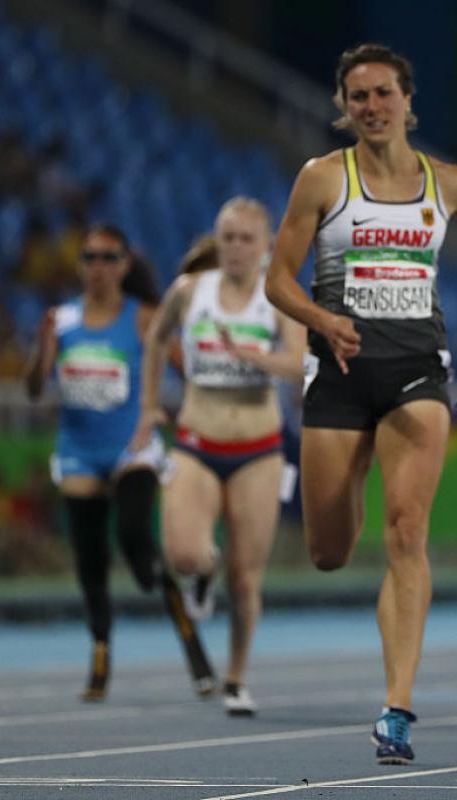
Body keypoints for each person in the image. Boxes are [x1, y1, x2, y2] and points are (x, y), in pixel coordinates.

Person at [265, 43, 457, 764]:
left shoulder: (450, 184)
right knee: (329, 552)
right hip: (338, 374)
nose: (372, 107)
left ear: (408, 100)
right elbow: (280, 279)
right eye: (358, 96)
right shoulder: (322, 180)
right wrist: (320, 319)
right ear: (345, 108)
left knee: (408, 535)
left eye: (383, 93)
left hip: (415, 373)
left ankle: (397, 707)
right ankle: (354, 476)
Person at [24, 223, 215, 701]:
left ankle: (188, 633)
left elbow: (188, 370)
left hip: (133, 447)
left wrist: (185, 414)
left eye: (108, 258)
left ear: (125, 265)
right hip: (79, 452)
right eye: (89, 258)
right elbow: (32, 389)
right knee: (90, 559)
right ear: (80, 265)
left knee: (135, 540)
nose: (98, 268)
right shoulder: (62, 320)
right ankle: (101, 655)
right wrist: (41, 348)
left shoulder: (144, 318)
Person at [132, 198, 305, 717]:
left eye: (245, 239)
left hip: (258, 450)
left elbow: (299, 364)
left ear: (266, 246)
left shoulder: (277, 299)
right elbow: (156, 339)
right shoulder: (190, 292)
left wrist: (258, 357)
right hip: (198, 442)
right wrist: (147, 406)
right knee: (184, 553)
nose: (234, 248)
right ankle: (200, 572)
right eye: (227, 237)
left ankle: (235, 677)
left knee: (247, 576)